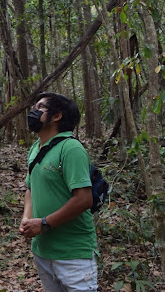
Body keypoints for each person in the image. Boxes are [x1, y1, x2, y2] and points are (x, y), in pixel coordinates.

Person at [19, 92, 99, 291]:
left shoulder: (71, 148)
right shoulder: (36, 148)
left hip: (73, 253)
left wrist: (45, 223)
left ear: (57, 116)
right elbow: (30, 188)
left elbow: (83, 199)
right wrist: (27, 217)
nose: (33, 112)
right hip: (43, 250)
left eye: (40, 108)